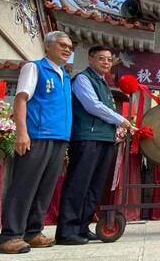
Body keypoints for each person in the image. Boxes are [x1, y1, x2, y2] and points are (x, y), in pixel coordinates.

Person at [0, 31, 73, 254]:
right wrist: (22, 132)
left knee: (45, 188)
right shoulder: (35, 67)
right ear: (48, 46)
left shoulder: (65, 76)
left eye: (70, 46)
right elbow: (21, 99)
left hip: (59, 138)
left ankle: (32, 232)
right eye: (62, 45)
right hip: (37, 136)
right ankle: (10, 235)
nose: (67, 49)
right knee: (24, 185)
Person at [55, 45, 134, 245]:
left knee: (95, 186)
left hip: (104, 139)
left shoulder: (104, 84)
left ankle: (83, 226)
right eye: (101, 58)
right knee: (78, 183)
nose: (106, 62)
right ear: (90, 59)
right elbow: (92, 105)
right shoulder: (83, 79)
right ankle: (67, 231)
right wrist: (120, 119)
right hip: (86, 138)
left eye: (109, 59)